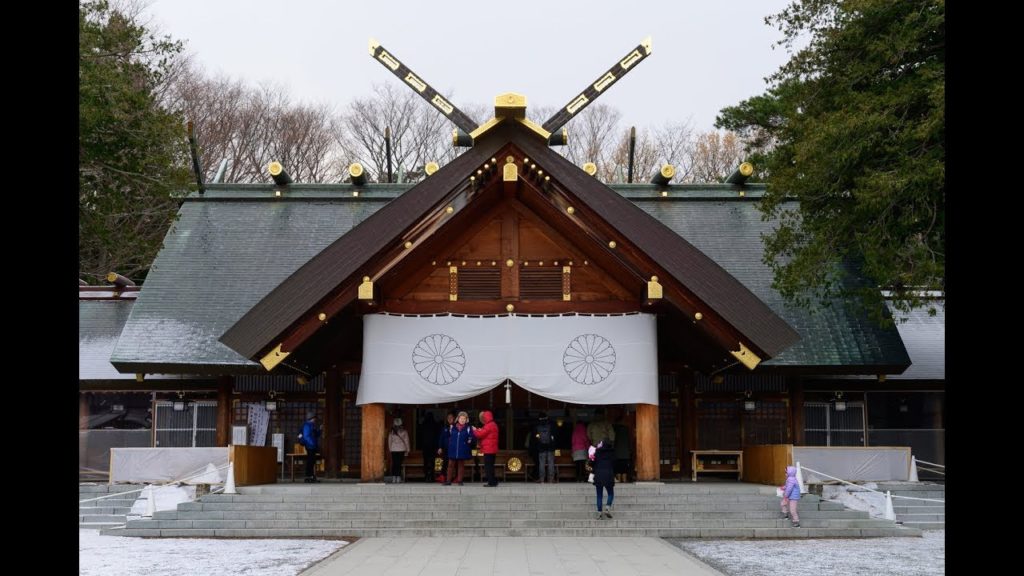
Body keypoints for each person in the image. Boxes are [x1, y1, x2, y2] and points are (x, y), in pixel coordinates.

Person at [444, 411, 476, 485]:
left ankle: (460, 481)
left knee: (461, 465)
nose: (462, 420)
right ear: (458, 419)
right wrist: (449, 444)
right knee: (450, 465)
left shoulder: (468, 428)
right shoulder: (452, 427)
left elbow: (472, 437)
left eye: (464, 418)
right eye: (461, 418)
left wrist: (469, 440)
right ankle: (448, 481)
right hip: (453, 449)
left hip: (462, 449)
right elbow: (447, 436)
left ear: (466, 420)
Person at [591, 437, 616, 519]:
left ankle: (599, 512)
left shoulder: (597, 452)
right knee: (610, 493)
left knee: (599, 495)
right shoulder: (612, 452)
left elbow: (592, 463)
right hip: (608, 474)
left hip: (598, 475)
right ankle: (607, 508)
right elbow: (614, 464)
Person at [475, 409, 500, 487]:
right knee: (491, 466)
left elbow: (480, 435)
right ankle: (494, 481)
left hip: (488, 450)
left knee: (488, 467)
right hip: (492, 449)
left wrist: (474, 430)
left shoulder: (488, 425)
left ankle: (491, 482)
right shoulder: (494, 424)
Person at [297, 411, 321, 483]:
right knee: (310, 461)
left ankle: (310, 475)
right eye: (314, 418)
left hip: (312, 446)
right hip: (310, 446)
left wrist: (320, 429)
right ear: (312, 418)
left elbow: (315, 435)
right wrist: (313, 444)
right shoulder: (307, 425)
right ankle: (308, 476)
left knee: (312, 461)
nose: (315, 419)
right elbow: (307, 436)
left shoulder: (311, 425)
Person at [533, 412, 556, 483]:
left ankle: (542, 479)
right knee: (551, 463)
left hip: (541, 447)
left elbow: (535, 437)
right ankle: (551, 479)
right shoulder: (551, 424)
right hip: (550, 446)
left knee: (541, 463)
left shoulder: (537, 425)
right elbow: (555, 435)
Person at [418, 412, 440, 482]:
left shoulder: (423, 424)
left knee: (426, 461)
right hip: (433, 446)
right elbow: (438, 436)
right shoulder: (435, 425)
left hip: (425, 446)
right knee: (433, 461)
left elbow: (420, 436)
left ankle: (426, 476)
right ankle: (432, 476)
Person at [436, 410, 456, 483]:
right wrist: (440, 447)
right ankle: (443, 476)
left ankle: (455, 477)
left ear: (454, 418)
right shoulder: (445, 427)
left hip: (454, 448)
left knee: (454, 463)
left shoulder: (456, 427)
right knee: (445, 462)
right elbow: (441, 438)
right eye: (448, 418)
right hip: (446, 448)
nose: (450, 419)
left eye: (451, 418)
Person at [612, 412, 632, 483]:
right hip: (625, 452)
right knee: (624, 467)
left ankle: (619, 479)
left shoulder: (614, 429)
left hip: (617, 452)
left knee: (618, 467)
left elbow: (613, 440)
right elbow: (629, 440)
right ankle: (624, 479)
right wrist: (630, 449)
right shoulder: (626, 429)